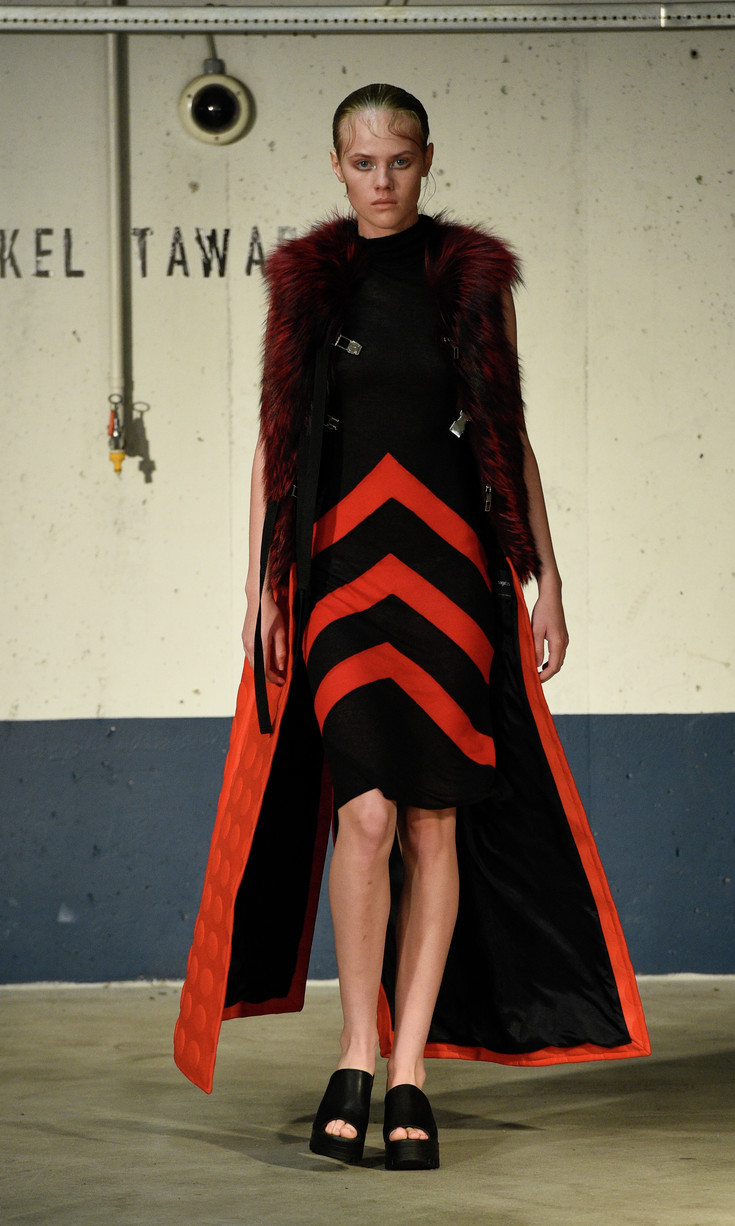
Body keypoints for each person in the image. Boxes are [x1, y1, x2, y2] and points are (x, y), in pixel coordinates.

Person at [174, 84, 649, 1172]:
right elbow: (275, 442)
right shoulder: (308, 283)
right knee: (367, 817)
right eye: (362, 162)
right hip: (340, 573)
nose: (380, 180)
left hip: (448, 577)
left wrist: (545, 577)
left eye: (398, 160)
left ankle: (407, 1072)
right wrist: (260, 585)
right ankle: (354, 1051)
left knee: (434, 824)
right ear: (335, 166)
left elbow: (507, 436)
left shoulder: (470, 279)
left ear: (427, 160)